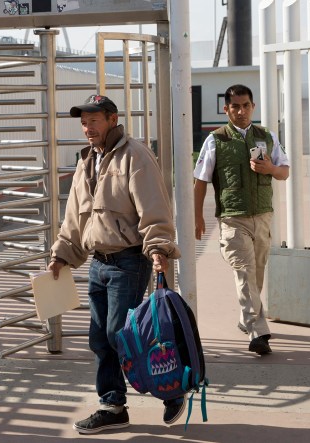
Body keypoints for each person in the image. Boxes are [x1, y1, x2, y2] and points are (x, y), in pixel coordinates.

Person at [48, 94, 183, 434]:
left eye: (93, 120)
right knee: (100, 337)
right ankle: (112, 406)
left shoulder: (134, 156)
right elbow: (75, 216)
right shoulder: (86, 161)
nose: (87, 127)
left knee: (120, 333)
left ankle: (172, 384)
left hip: (129, 260)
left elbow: (153, 206)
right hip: (99, 262)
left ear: (112, 119)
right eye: (83, 121)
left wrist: (159, 247)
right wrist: (62, 253)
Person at [193, 84, 290, 355]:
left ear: (253, 107)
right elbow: (200, 180)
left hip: (262, 215)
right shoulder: (216, 140)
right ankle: (258, 331)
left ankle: (244, 318)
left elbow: (284, 172)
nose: (241, 110)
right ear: (226, 109)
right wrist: (197, 216)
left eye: (246, 105)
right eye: (235, 106)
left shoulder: (267, 136)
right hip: (232, 219)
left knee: (256, 273)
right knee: (244, 270)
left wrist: (270, 168)